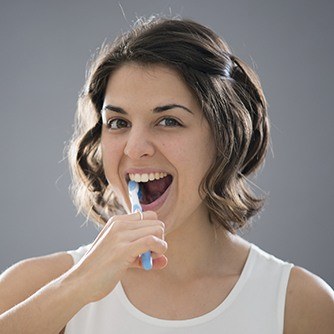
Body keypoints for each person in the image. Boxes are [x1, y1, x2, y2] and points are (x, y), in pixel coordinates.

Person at [0, 16, 333, 334]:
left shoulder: (299, 303)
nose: (135, 148)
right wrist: (76, 287)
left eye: (168, 121)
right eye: (118, 123)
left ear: (224, 138)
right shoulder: (35, 287)